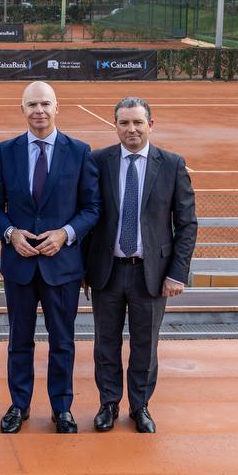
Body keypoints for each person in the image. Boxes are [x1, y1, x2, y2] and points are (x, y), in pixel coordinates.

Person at [0, 81, 100, 434]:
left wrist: (65, 234)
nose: (39, 111)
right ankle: (19, 406)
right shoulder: (6, 151)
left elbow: (92, 207)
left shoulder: (80, 152)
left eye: (45, 104)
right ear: (22, 109)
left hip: (61, 265)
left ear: (56, 107)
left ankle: (61, 408)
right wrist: (10, 233)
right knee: (19, 340)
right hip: (19, 264)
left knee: (62, 341)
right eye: (32, 104)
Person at [83, 97, 197, 433]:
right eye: (124, 123)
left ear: (151, 124)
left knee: (145, 345)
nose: (131, 129)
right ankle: (108, 404)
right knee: (106, 342)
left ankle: (140, 406)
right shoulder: (98, 161)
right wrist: (85, 269)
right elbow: (89, 216)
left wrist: (177, 272)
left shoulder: (172, 164)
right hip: (108, 270)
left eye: (137, 122)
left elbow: (187, 223)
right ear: (115, 125)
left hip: (153, 274)